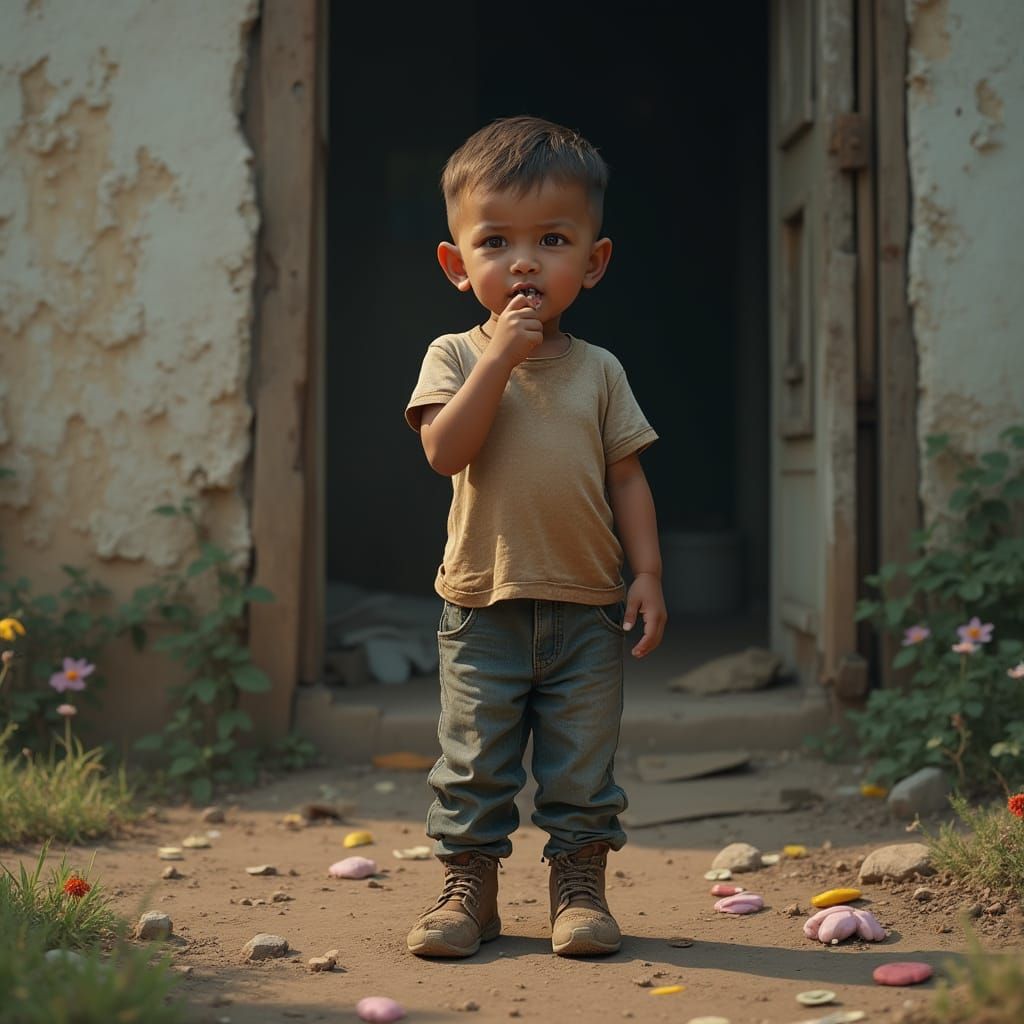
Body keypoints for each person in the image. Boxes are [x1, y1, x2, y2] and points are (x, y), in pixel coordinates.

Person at [403, 115, 666, 959]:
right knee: (474, 763)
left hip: (587, 607)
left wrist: (649, 574)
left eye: (552, 239)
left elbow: (627, 474)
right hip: (482, 605)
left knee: (582, 770)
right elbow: (446, 452)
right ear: (458, 264)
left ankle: (579, 888)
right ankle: (467, 890)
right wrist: (498, 363)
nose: (523, 262)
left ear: (592, 263)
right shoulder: (453, 355)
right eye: (497, 242)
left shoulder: (600, 371)